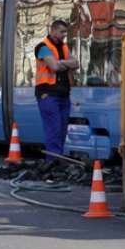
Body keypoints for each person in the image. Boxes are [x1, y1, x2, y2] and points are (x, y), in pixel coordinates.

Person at [34, 20, 79, 160]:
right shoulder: (43, 47)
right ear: (53, 31)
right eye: (62, 32)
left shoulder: (64, 47)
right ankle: (53, 161)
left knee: (61, 129)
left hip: (63, 94)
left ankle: (57, 159)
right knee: (53, 128)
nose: (64, 35)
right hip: (47, 94)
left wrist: (62, 63)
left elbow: (76, 63)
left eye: (65, 32)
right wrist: (66, 64)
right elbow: (54, 67)